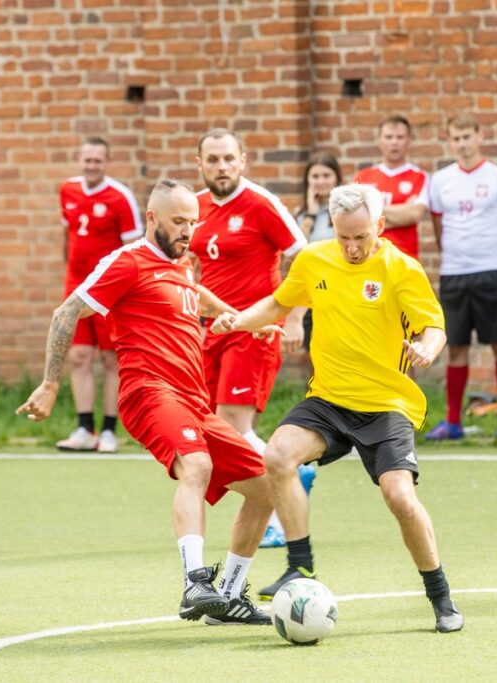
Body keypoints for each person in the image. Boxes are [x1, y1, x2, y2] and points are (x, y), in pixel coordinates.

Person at [17, 179, 276, 626]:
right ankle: (196, 582)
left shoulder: (183, 265)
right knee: (196, 466)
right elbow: (65, 313)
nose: (187, 232)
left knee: (267, 486)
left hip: (194, 400)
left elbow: (197, 295)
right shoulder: (127, 262)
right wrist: (49, 384)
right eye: (178, 222)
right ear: (152, 218)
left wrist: (236, 319)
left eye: (192, 223)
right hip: (149, 391)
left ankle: (228, 597)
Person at [214, 183, 464, 633]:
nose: (351, 247)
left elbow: (433, 327)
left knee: (400, 498)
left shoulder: (401, 269)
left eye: (361, 237)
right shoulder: (313, 260)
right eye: (344, 236)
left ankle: (441, 597)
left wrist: (426, 349)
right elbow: (278, 303)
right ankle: (301, 565)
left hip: (386, 406)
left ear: (380, 227)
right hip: (328, 400)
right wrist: (239, 319)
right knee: (277, 456)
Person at [190, 128, 314, 550]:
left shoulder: (262, 204)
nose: (222, 167)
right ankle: (290, 475)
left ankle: (279, 506)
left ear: (242, 160)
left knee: (232, 424)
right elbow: (187, 268)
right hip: (211, 333)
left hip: (255, 329)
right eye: (213, 160)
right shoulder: (196, 207)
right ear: (200, 164)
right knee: (208, 427)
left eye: (229, 158)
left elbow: (306, 261)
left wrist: (295, 318)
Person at [425, 113, 497, 440]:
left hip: (491, 273)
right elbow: (439, 230)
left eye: (468, 136)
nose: (463, 144)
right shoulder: (439, 181)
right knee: (456, 349)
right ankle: (453, 422)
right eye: (456, 138)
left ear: (479, 136)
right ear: (449, 141)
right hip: (454, 274)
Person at [55, 137, 143, 453]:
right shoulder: (67, 190)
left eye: (98, 160)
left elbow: (134, 249)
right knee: (78, 356)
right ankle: (84, 428)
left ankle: (108, 430)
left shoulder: (121, 197)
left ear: (107, 162)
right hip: (76, 286)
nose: (92, 166)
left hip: (109, 293)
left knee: (110, 359)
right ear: (79, 160)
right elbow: (67, 236)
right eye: (87, 160)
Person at [353, 115, 429, 260]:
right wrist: (401, 211)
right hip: (369, 258)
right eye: (388, 137)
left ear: (409, 141)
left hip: (405, 258)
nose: (394, 142)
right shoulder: (362, 177)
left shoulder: (420, 177)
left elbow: (413, 214)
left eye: (400, 137)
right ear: (379, 141)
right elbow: (356, 219)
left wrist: (371, 211)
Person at [295, 153, 343, 350]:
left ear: (337, 178)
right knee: (313, 348)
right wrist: (312, 214)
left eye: (326, 175)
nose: (320, 181)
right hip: (312, 290)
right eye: (315, 176)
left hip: (340, 289)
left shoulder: (344, 210)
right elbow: (297, 251)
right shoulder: (301, 213)